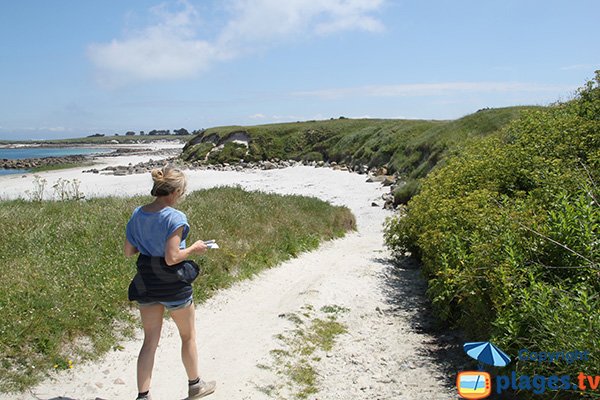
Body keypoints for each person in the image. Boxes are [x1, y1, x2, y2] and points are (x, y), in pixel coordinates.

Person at [124, 165, 216, 400]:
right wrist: (195, 248)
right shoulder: (175, 217)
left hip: (146, 281)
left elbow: (128, 250)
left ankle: (143, 396)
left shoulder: (138, 213)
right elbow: (172, 257)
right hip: (172, 282)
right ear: (175, 192)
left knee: (150, 340)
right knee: (187, 336)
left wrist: (147, 240)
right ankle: (195, 386)